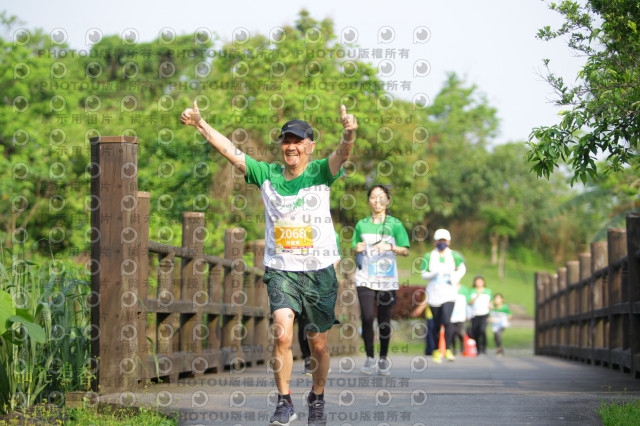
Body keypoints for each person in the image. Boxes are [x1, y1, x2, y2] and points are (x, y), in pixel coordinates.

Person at [180, 101, 357, 426]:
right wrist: (200, 123)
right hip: (281, 270)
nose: (291, 146)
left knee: (318, 345)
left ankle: (317, 397)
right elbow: (230, 151)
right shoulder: (267, 174)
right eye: (286, 141)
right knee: (282, 334)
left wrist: (349, 133)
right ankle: (284, 402)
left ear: (309, 146)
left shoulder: (320, 172)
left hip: (319, 272)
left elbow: (342, 154)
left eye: (298, 141)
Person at [353, 185, 410, 375]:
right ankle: (370, 358)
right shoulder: (361, 224)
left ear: (387, 200)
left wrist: (391, 248)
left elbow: (406, 250)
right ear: (368, 200)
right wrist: (357, 248)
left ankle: (383, 358)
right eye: (373, 197)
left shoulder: (395, 224)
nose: (377, 201)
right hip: (365, 278)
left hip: (386, 279)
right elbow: (355, 247)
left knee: (384, 320)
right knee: (368, 317)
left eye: (381, 197)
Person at [420, 228, 466, 363]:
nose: (442, 243)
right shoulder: (429, 256)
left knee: (447, 321)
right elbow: (423, 273)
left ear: (449, 242)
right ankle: (436, 350)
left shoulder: (454, 255)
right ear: (435, 242)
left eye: (444, 240)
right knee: (436, 323)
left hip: (449, 293)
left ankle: (448, 350)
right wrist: (433, 274)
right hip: (434, 294)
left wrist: (454, 278)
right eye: (439, 240)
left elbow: (462, 268)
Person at [468, 275, 492, 355]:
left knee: (482, 330)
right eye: (477, 281)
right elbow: (469, 303)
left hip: (484, 313)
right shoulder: (472, 291)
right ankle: (477, 348)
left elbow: (491, 301)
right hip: (475, 314)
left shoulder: (488, 291)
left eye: (480, 281)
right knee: (476, 332)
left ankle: (484, 347)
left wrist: (491, 305)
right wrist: (477, 296)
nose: (479, 283)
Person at [449, 282, 469, 355]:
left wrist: (468, 314)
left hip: (461, 316)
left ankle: (462, 346)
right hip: (451, 316)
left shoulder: (464, 290)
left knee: (459, 332)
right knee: (452, 332)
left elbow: (467, 303)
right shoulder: (448, 288)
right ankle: (454, 348)